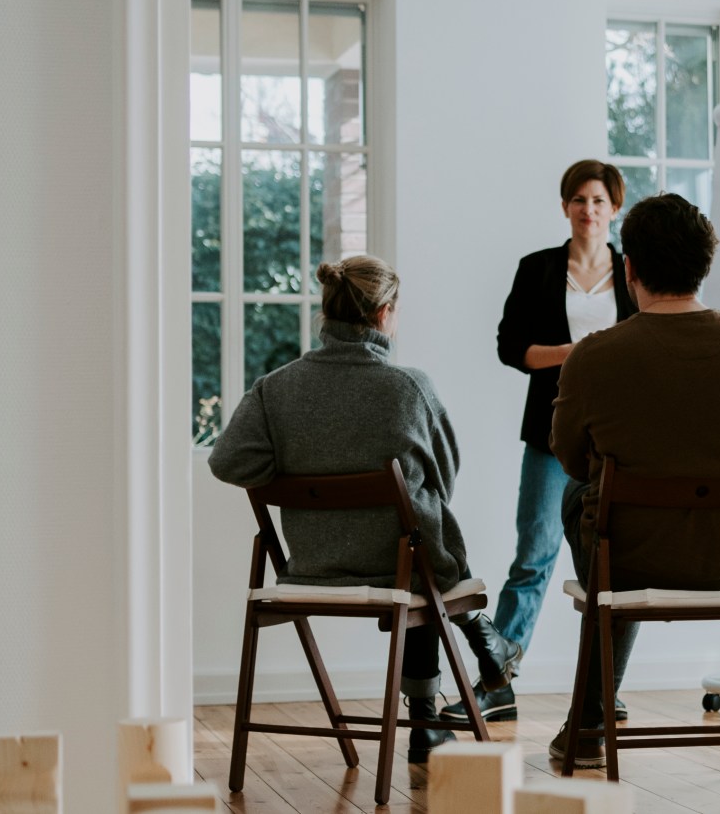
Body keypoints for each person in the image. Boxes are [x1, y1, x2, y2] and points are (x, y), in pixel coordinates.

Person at [207, 255, 521, 763]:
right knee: (418, 539)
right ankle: (429, 715)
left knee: (415, 539)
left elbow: (227, 462)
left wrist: (292, 471)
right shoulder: (409, 387)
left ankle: (455, 681)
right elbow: (445, 476)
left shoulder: (276, 388)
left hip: (312, 566)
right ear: (384, 315)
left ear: (327, 314)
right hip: (404, 565)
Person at [545, 193, 720, 768]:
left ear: (628, 270)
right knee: (604, 513)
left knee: (586, 499)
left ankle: (589, 723)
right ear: (706, 265)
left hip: (628, 559)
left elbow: (570, 459)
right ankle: (587, 719)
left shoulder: (596, 355)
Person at [441, 160, 637, 725]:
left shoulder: (632, 272)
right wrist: (574, 353)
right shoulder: (539, 269)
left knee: (609, 566)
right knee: (534, 556)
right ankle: (496, 683)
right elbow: (511, 347)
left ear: (614, 208)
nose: (588, 210)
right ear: (564, 206)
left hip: (618, 440)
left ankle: (606, 688)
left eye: (598, 200)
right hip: (552, 433)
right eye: (578, 199)